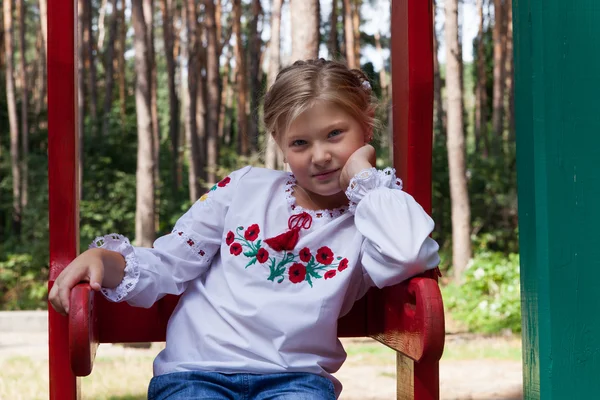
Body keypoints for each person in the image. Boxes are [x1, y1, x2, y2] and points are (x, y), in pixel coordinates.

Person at [49, 58, 440, 400]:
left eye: (335, 135)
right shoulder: (244, 189)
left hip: (295, 380)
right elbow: (170, 264)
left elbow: (408, 252)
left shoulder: (369, 218)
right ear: (280, 144)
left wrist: (364, 178)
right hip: (196, 372)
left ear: (365, 127)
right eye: (300, 143)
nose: (320, 156)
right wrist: (105, 258)